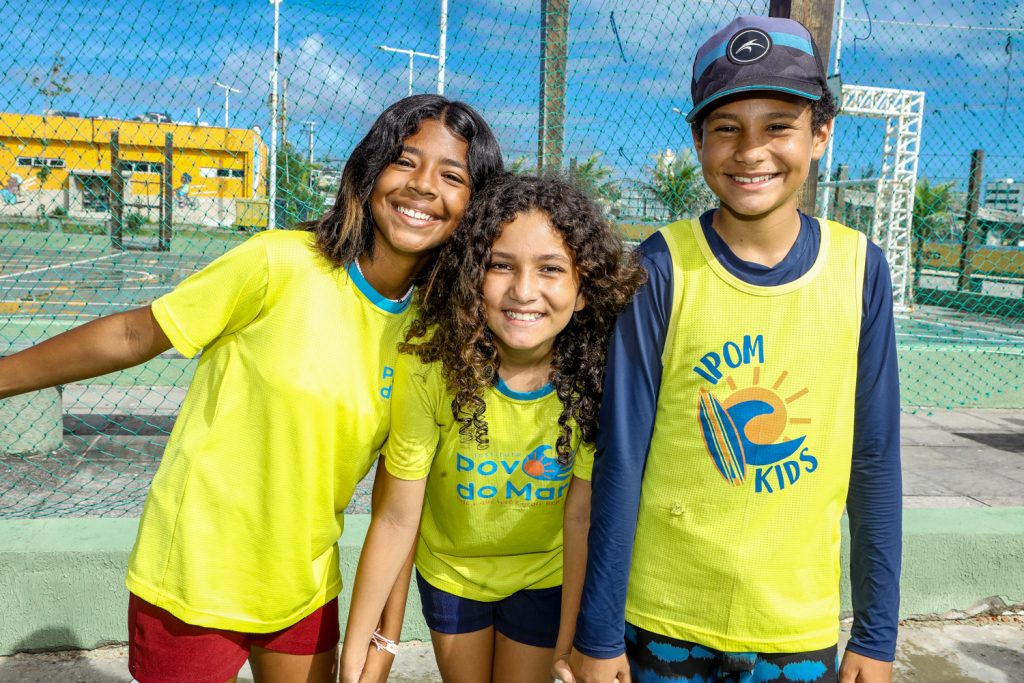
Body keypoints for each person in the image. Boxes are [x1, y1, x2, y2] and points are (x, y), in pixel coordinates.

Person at [0, 94, 503, 683]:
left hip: (303, 587)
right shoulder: (279, 263)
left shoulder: (430, 336)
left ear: (473, 205)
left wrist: (384, 640)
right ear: (369, 174)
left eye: (451, 175)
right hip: (193, 574)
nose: (423, 186)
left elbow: (398, 510)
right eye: (405, 161)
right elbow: (137, 331)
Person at [566, 16, 902, 683]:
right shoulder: (661, 267)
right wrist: (598, 633)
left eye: (778, 125)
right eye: (727, 128)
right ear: (697, 141)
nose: (752, 151)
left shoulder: (861, 269)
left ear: (821, 133)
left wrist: (877, 631)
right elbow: (622, 458)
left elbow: (874, 460)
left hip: (794, 630)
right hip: (661, 617)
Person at [339, 173, 646, 683]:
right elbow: (396, 518)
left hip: (542, 578)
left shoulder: (596, 379)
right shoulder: (431, 365)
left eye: (550, 269)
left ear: (584, 288)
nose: (524, 291)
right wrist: (362, 644)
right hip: (452, 576)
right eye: (501, 265)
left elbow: (580, 520)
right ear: (471, 277)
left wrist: (570, 638)